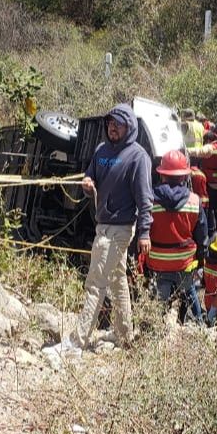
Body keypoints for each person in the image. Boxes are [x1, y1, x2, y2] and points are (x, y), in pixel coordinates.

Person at [61, 104, 153, 352]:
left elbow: (146, 200)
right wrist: (88, 183)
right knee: (116, 280)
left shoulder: (138, 157)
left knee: (95, 282)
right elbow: (90, 176)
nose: (112, 127)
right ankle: (124, 335)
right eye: (110, 123)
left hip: (120, 228)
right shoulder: (101, 150)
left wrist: (144, 232)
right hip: (102, 224)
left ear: (129, 127)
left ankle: (76, 342)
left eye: (118, 124)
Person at [145, 150, 207, 324]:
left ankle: (153, 329)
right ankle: (200, 323)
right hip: (184, 262)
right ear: (183, 176)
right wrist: (200, 261)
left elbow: (142, 231)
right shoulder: (195, 201)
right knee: (189, 291)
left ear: (162, 175)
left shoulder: (149, 199)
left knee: (157, 303)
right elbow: (202, 237)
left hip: (157, 263)